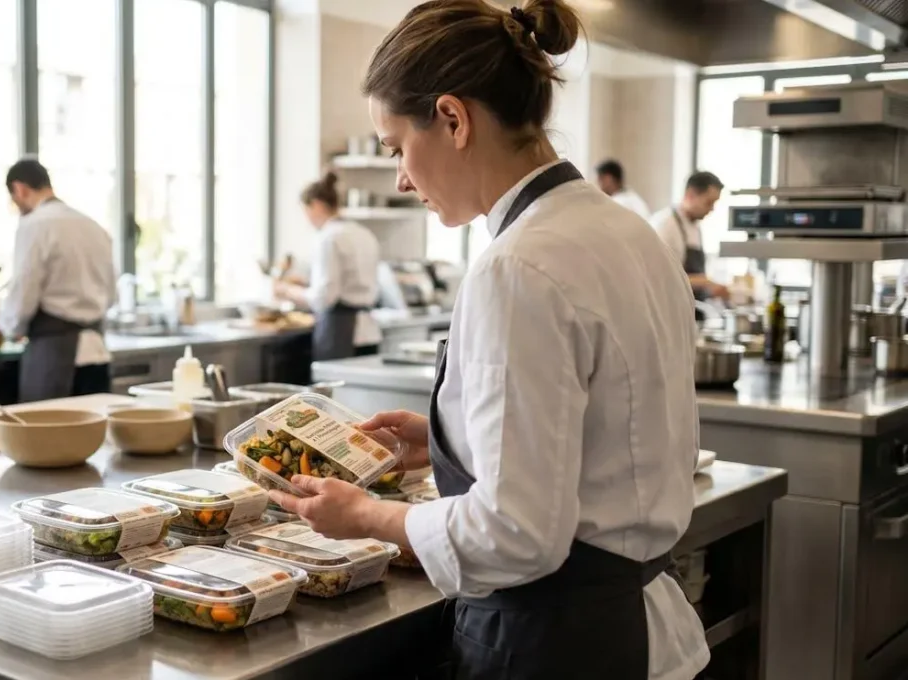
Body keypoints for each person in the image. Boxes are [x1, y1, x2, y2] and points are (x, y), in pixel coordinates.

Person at [269, 1, 708, 678]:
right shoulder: (631, 234)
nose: (401, 178)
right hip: (641, 628)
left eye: (396, 147)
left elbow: (517, 534)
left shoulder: (518, 267)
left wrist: (369, 516)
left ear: (453, 118)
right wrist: (452, 436)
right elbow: (609, 433)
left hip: (560, 645)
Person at [0, 158, 116, 402]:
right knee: (96, 425)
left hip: (54, 357)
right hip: (97, 355)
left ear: (19, 189)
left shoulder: (35, 225)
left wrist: (4, 327)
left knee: (45, 425)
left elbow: (25, 290)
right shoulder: (93, 226)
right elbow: (111, 295)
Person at [273, 171, 383, 360]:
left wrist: (287, 290)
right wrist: (306, 284)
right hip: (369, 332)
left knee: (333, 380)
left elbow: (324, 297)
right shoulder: (364, 234)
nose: (306, 219)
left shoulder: (328, 238)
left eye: (305, 210)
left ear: (316, 205)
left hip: (340, 332)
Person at [651, 171, 730, 301]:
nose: (712, 209)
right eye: (709, 202)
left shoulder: (695, 226)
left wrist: (710, 290)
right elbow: (662, 278)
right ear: (690, 195)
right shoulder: (666, 225)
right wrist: (706, 282)